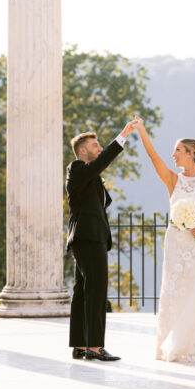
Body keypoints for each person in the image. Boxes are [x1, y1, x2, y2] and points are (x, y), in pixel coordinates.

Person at [134, 121, 195, 363]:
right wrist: (141, 130)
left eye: (178, 150)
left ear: (191, 154)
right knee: (173, 291)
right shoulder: (172, 180)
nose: (173, 155)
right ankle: (169, 345)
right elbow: (153, 156)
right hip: (176, 243)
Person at [66, 120, 139, 362]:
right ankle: (95, 347)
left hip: (85, 238)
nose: (99, 149)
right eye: (95, 145)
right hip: (89, 237)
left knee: (82, 291)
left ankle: (79, 344)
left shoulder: (87, 175)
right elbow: (101, 162)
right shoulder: (77, 168)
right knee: (95, 291)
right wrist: (123, 135)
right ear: (84, 151)